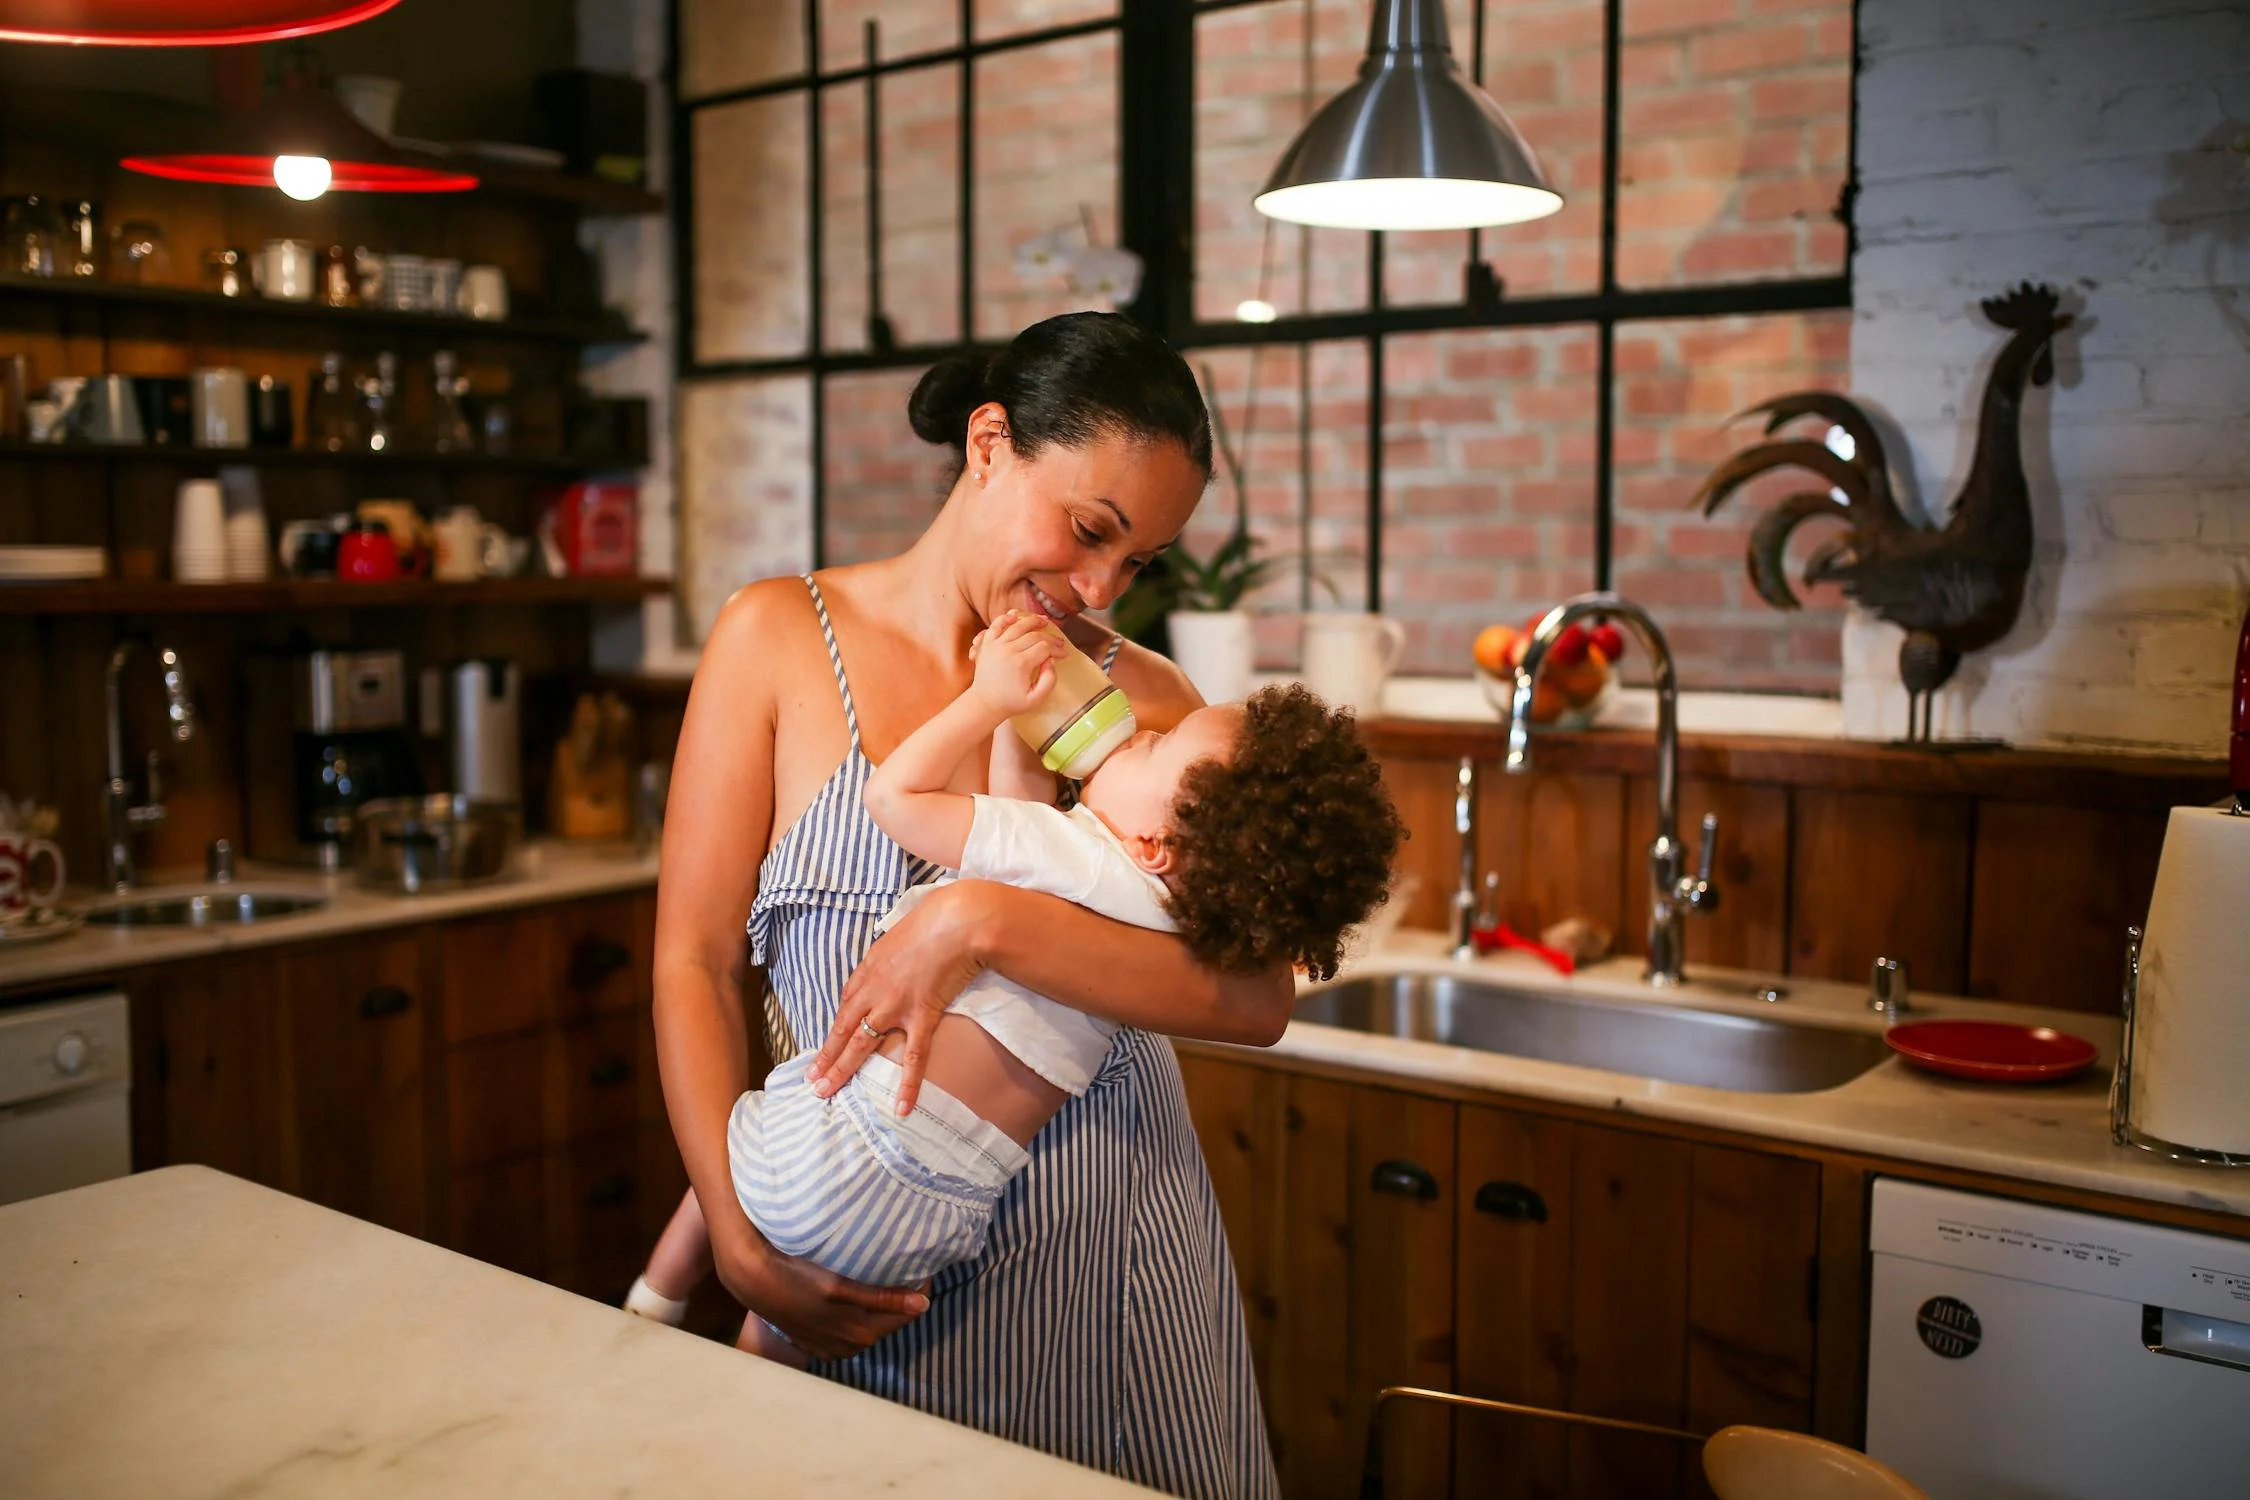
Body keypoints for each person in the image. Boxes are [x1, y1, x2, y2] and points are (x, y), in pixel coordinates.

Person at [645, 312, 1322, 1499]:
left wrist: (986, 923)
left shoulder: (1140, 699)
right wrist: (741, 1245)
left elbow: (1260, 996)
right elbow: (693, 966)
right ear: (991, 445)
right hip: (871, 1265)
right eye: (1091, 530)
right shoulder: (777, 642)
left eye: (1138, 562)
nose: (1101, 586)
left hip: (1114, 1262)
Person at [628, 611, 1401, 1349]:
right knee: (795, 1336)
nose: (1140, 733)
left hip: (842, 1145)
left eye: (1156, 745)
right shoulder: (1188, 922)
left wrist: (987, 700)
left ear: (1158, 841)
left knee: (752, 1140)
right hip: (933, 1221)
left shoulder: (1069, 851)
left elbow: (896, 800)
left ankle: (654, 1297)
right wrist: (1029, 720)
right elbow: (1019, 810)